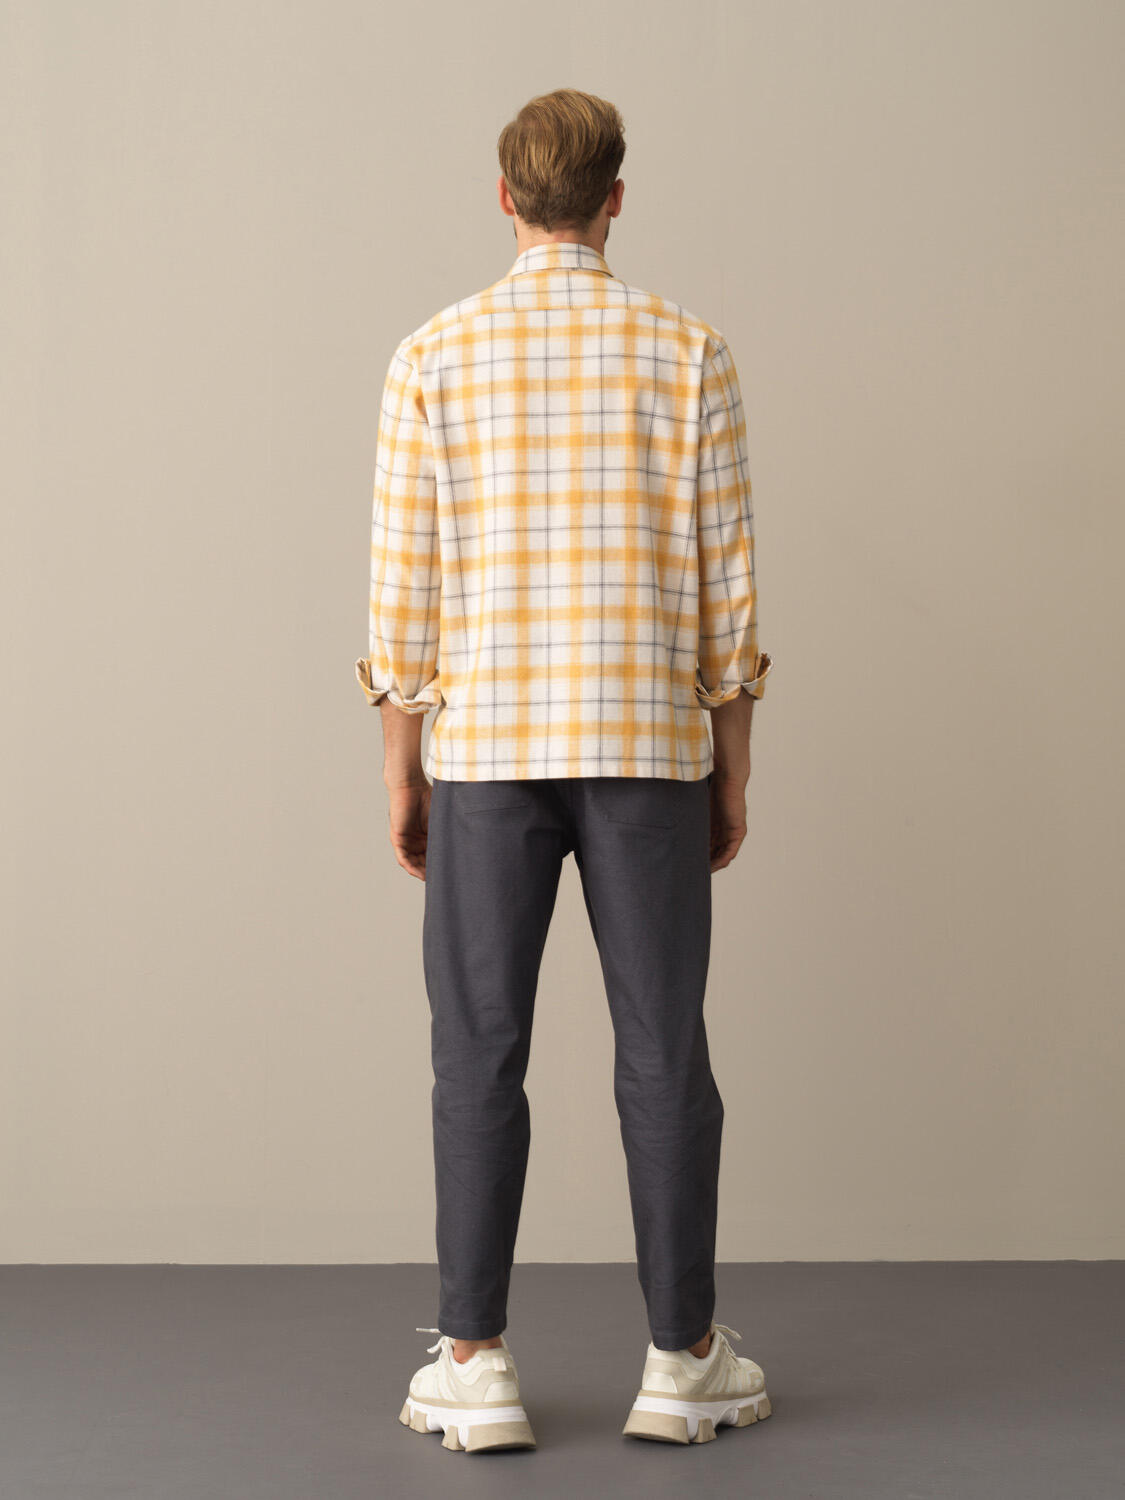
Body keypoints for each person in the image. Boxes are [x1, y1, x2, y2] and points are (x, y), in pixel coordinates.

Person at [355, 87, 774, 1453]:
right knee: (664, 1050)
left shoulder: (432, 355)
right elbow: (726, 597)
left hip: (484, 753)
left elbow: (403, 596)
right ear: (613, 200)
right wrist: (731, 767)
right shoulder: (690, 353)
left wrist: (402, 769)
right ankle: (682, 1358)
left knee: (476, 1052)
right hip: (648, 745)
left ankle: (475, 1363)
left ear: (505, 199)